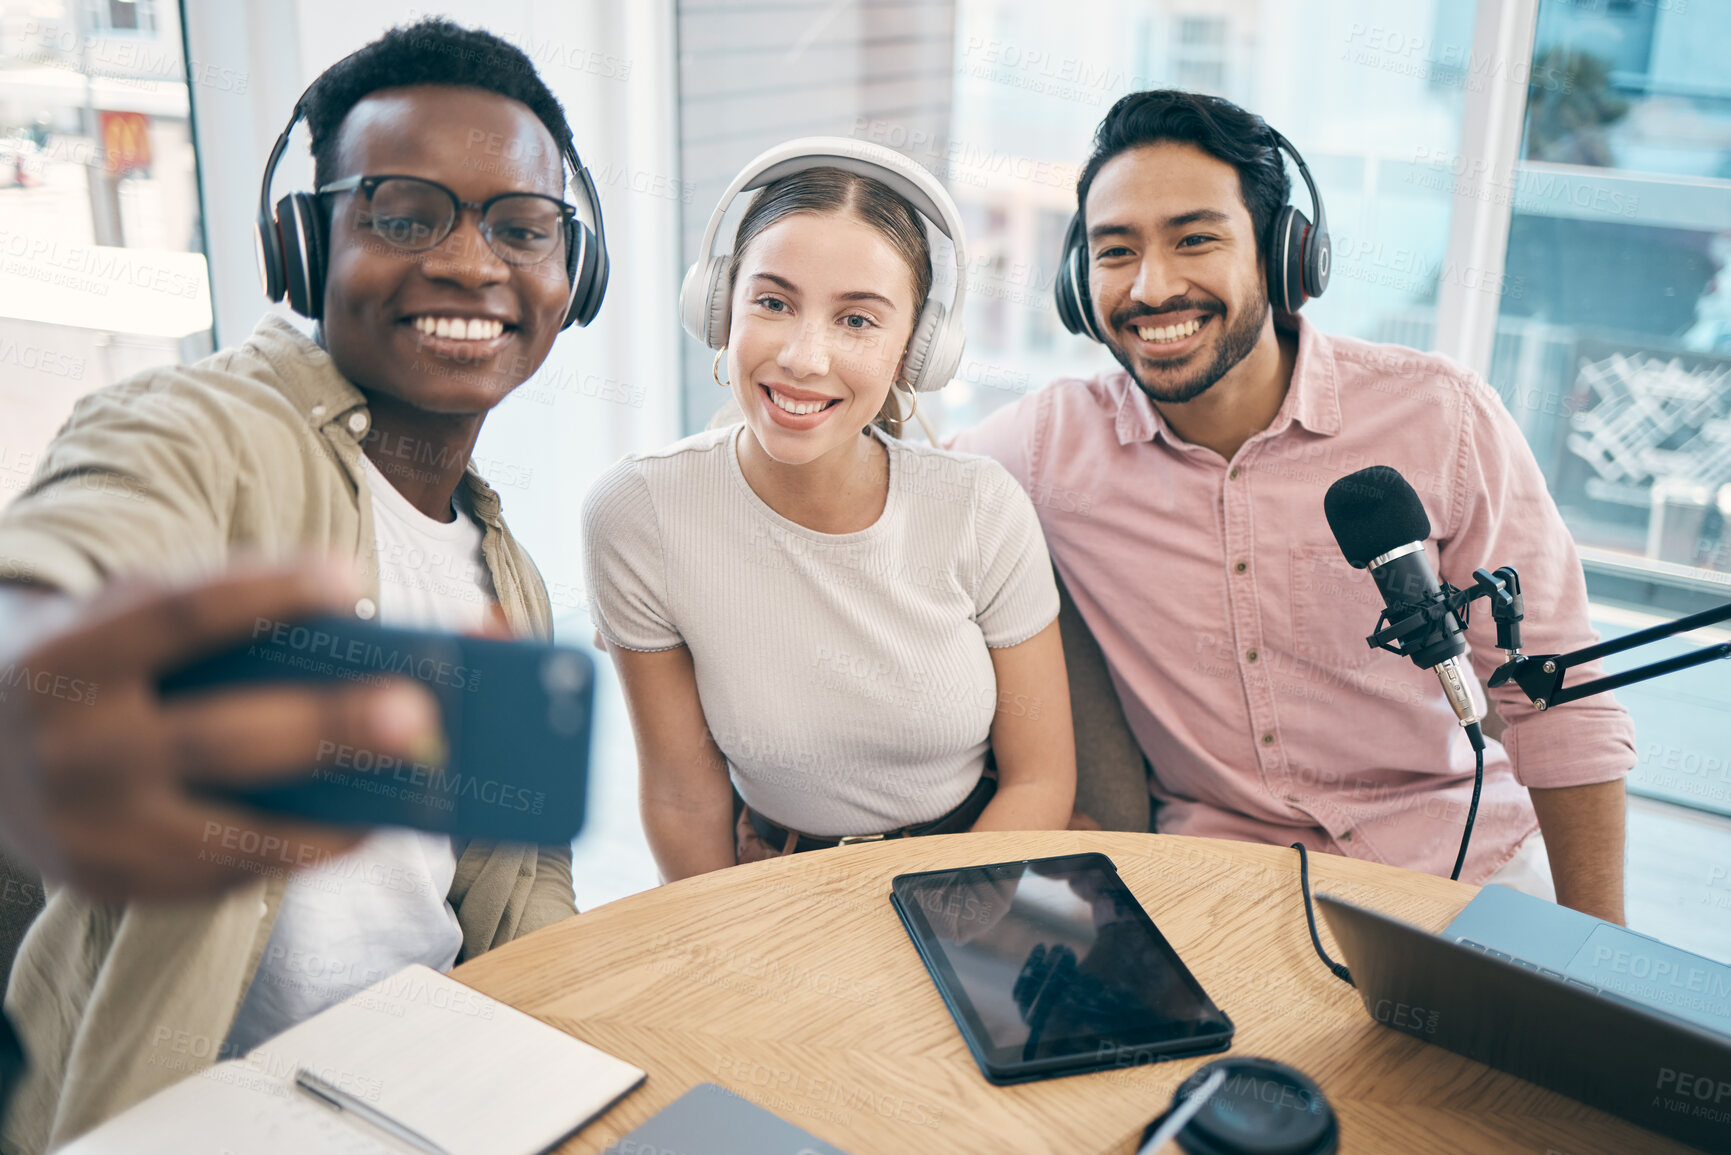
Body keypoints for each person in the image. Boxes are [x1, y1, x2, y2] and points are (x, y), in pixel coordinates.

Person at [0, 20, 599, 1150]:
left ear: (576, 272)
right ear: (302, 246)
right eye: (403, 214)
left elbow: (517, 882)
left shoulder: (505, 575)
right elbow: (70, 556)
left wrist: (589, 1045)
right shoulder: (203, 429)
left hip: (426, 1087)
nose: (471, 263)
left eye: (520, 227)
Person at [952, 91, 1635, 922]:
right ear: (1075, 281)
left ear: (1285, 257)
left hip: (1463, 862)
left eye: (1194, 239)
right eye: (1114, 251)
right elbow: (893, 494)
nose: (1151, 286)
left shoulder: (1438, 418)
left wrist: (1602, 952)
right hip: (1219, 888)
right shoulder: (1043, 446)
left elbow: (1562, 701)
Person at [582, 141, 1076, 881]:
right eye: (773, 303)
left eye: (857, 321)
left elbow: (1040, 780)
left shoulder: (980, 508)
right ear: (719, 307)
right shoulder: (640, 514)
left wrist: (948, 914)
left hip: (973, 869)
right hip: (776, 880)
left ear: (917, 351)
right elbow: (683, 797)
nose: (804, 358)